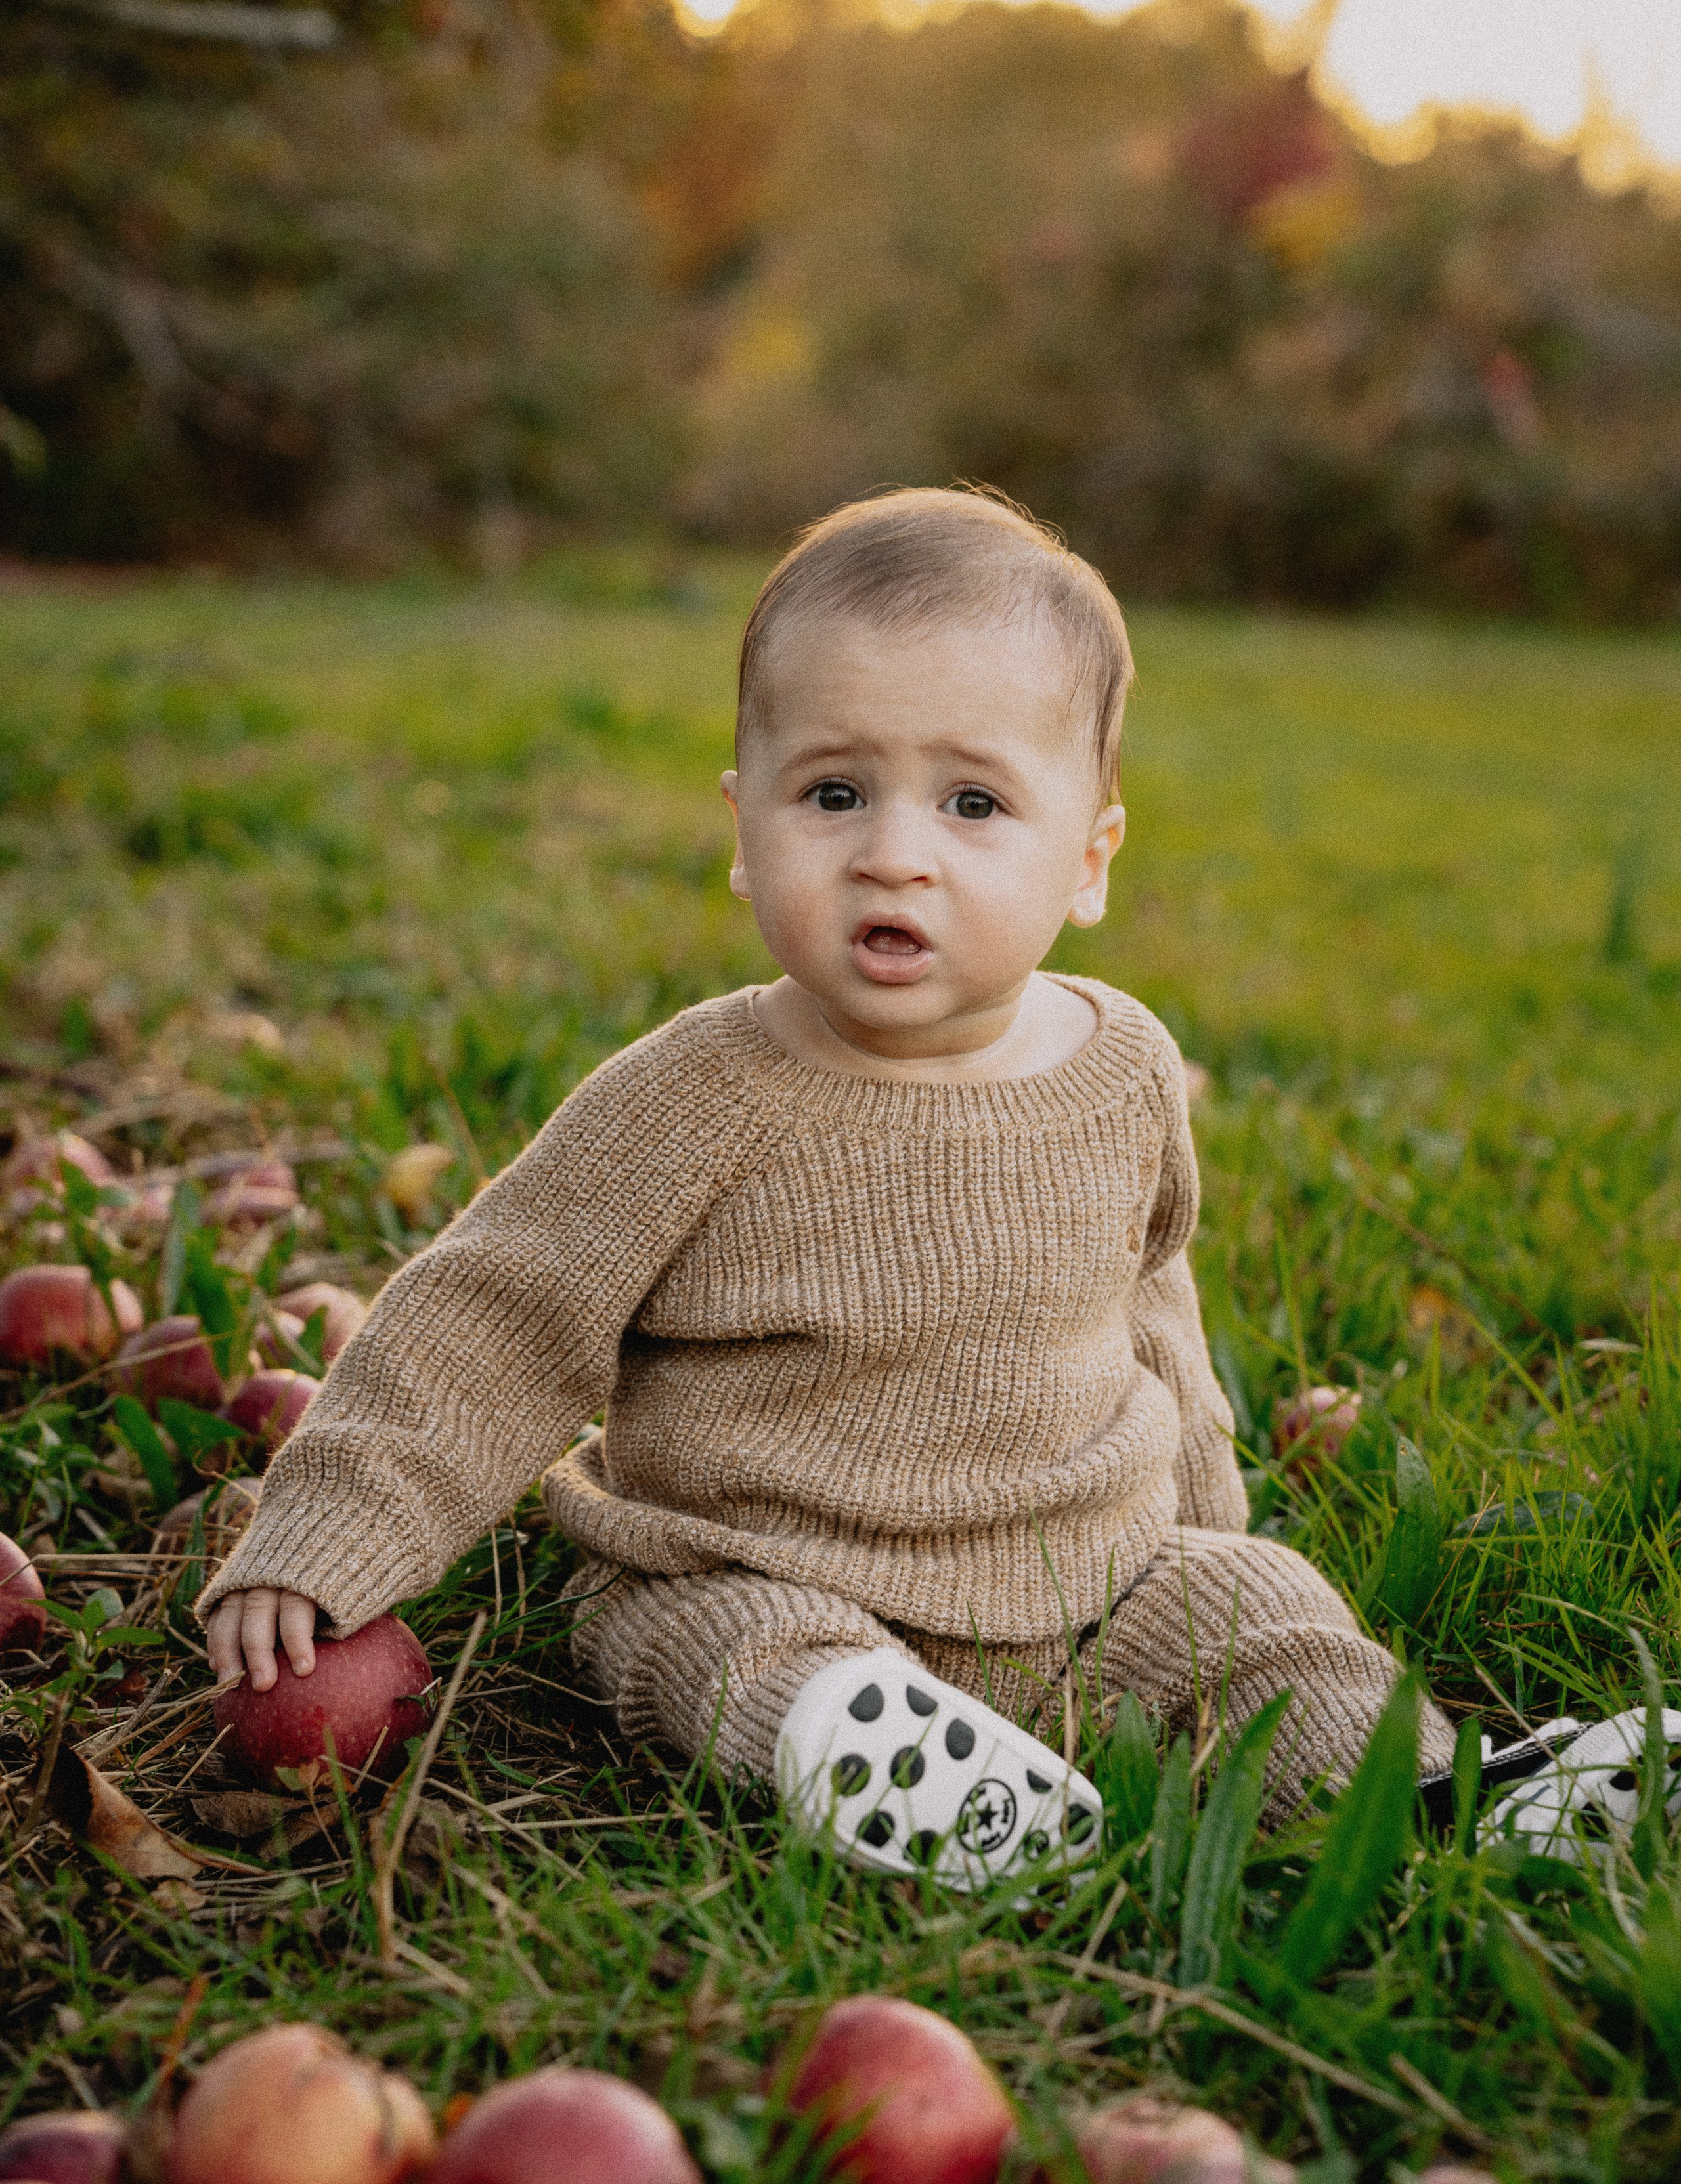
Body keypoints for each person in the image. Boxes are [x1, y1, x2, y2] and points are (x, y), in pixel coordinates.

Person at [198, 488, 1670, 1881]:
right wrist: (330, 1540)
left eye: (972, 805)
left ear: (1087, 858)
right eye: (832, 792)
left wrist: (1203, 1520)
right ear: (740, 826)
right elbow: (490, 1316)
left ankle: (1454, 1800)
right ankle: (891, 1765)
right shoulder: (692, 1096)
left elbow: (1150, 1307)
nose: (892, 856)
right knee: (709, 1651)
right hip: (759, 1562)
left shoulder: (1122, 1067)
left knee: (1265, 1624)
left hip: (1084, 1586)